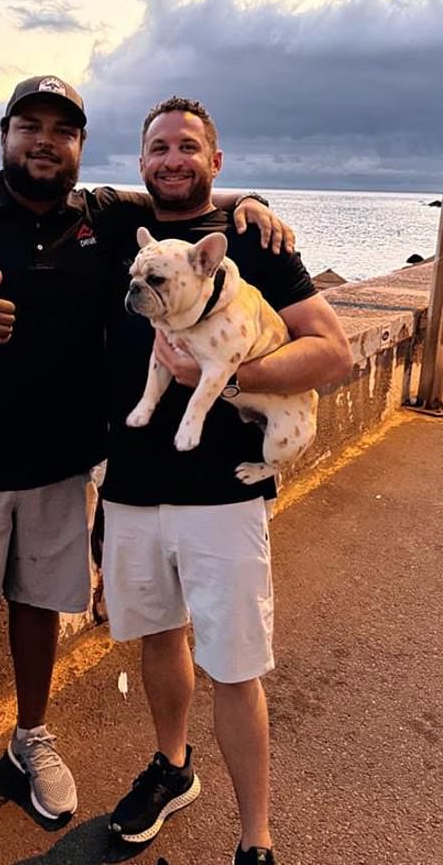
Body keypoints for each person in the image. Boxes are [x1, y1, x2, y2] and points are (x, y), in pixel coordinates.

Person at [0, 76, 289, 826]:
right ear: (4, 135)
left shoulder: (102, 213)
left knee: (40, 608)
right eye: (29, 125)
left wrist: (247, 205)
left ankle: (33, 735)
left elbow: (184, 203)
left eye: (62, 130)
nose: (44, 140)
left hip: (62, 464)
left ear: (81, 148)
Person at [100, 97, 353, 865]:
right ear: (141, 163)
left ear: (216, 159)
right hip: (135, 487)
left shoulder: (254, 243)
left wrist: (232, 378)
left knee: (237, 665)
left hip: (222, 496)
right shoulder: (123, 232)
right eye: (158, 148)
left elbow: (333, 354)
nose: (173, 159)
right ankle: (172, 767)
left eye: (189, 147)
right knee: (158, 638)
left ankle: (256, 839)